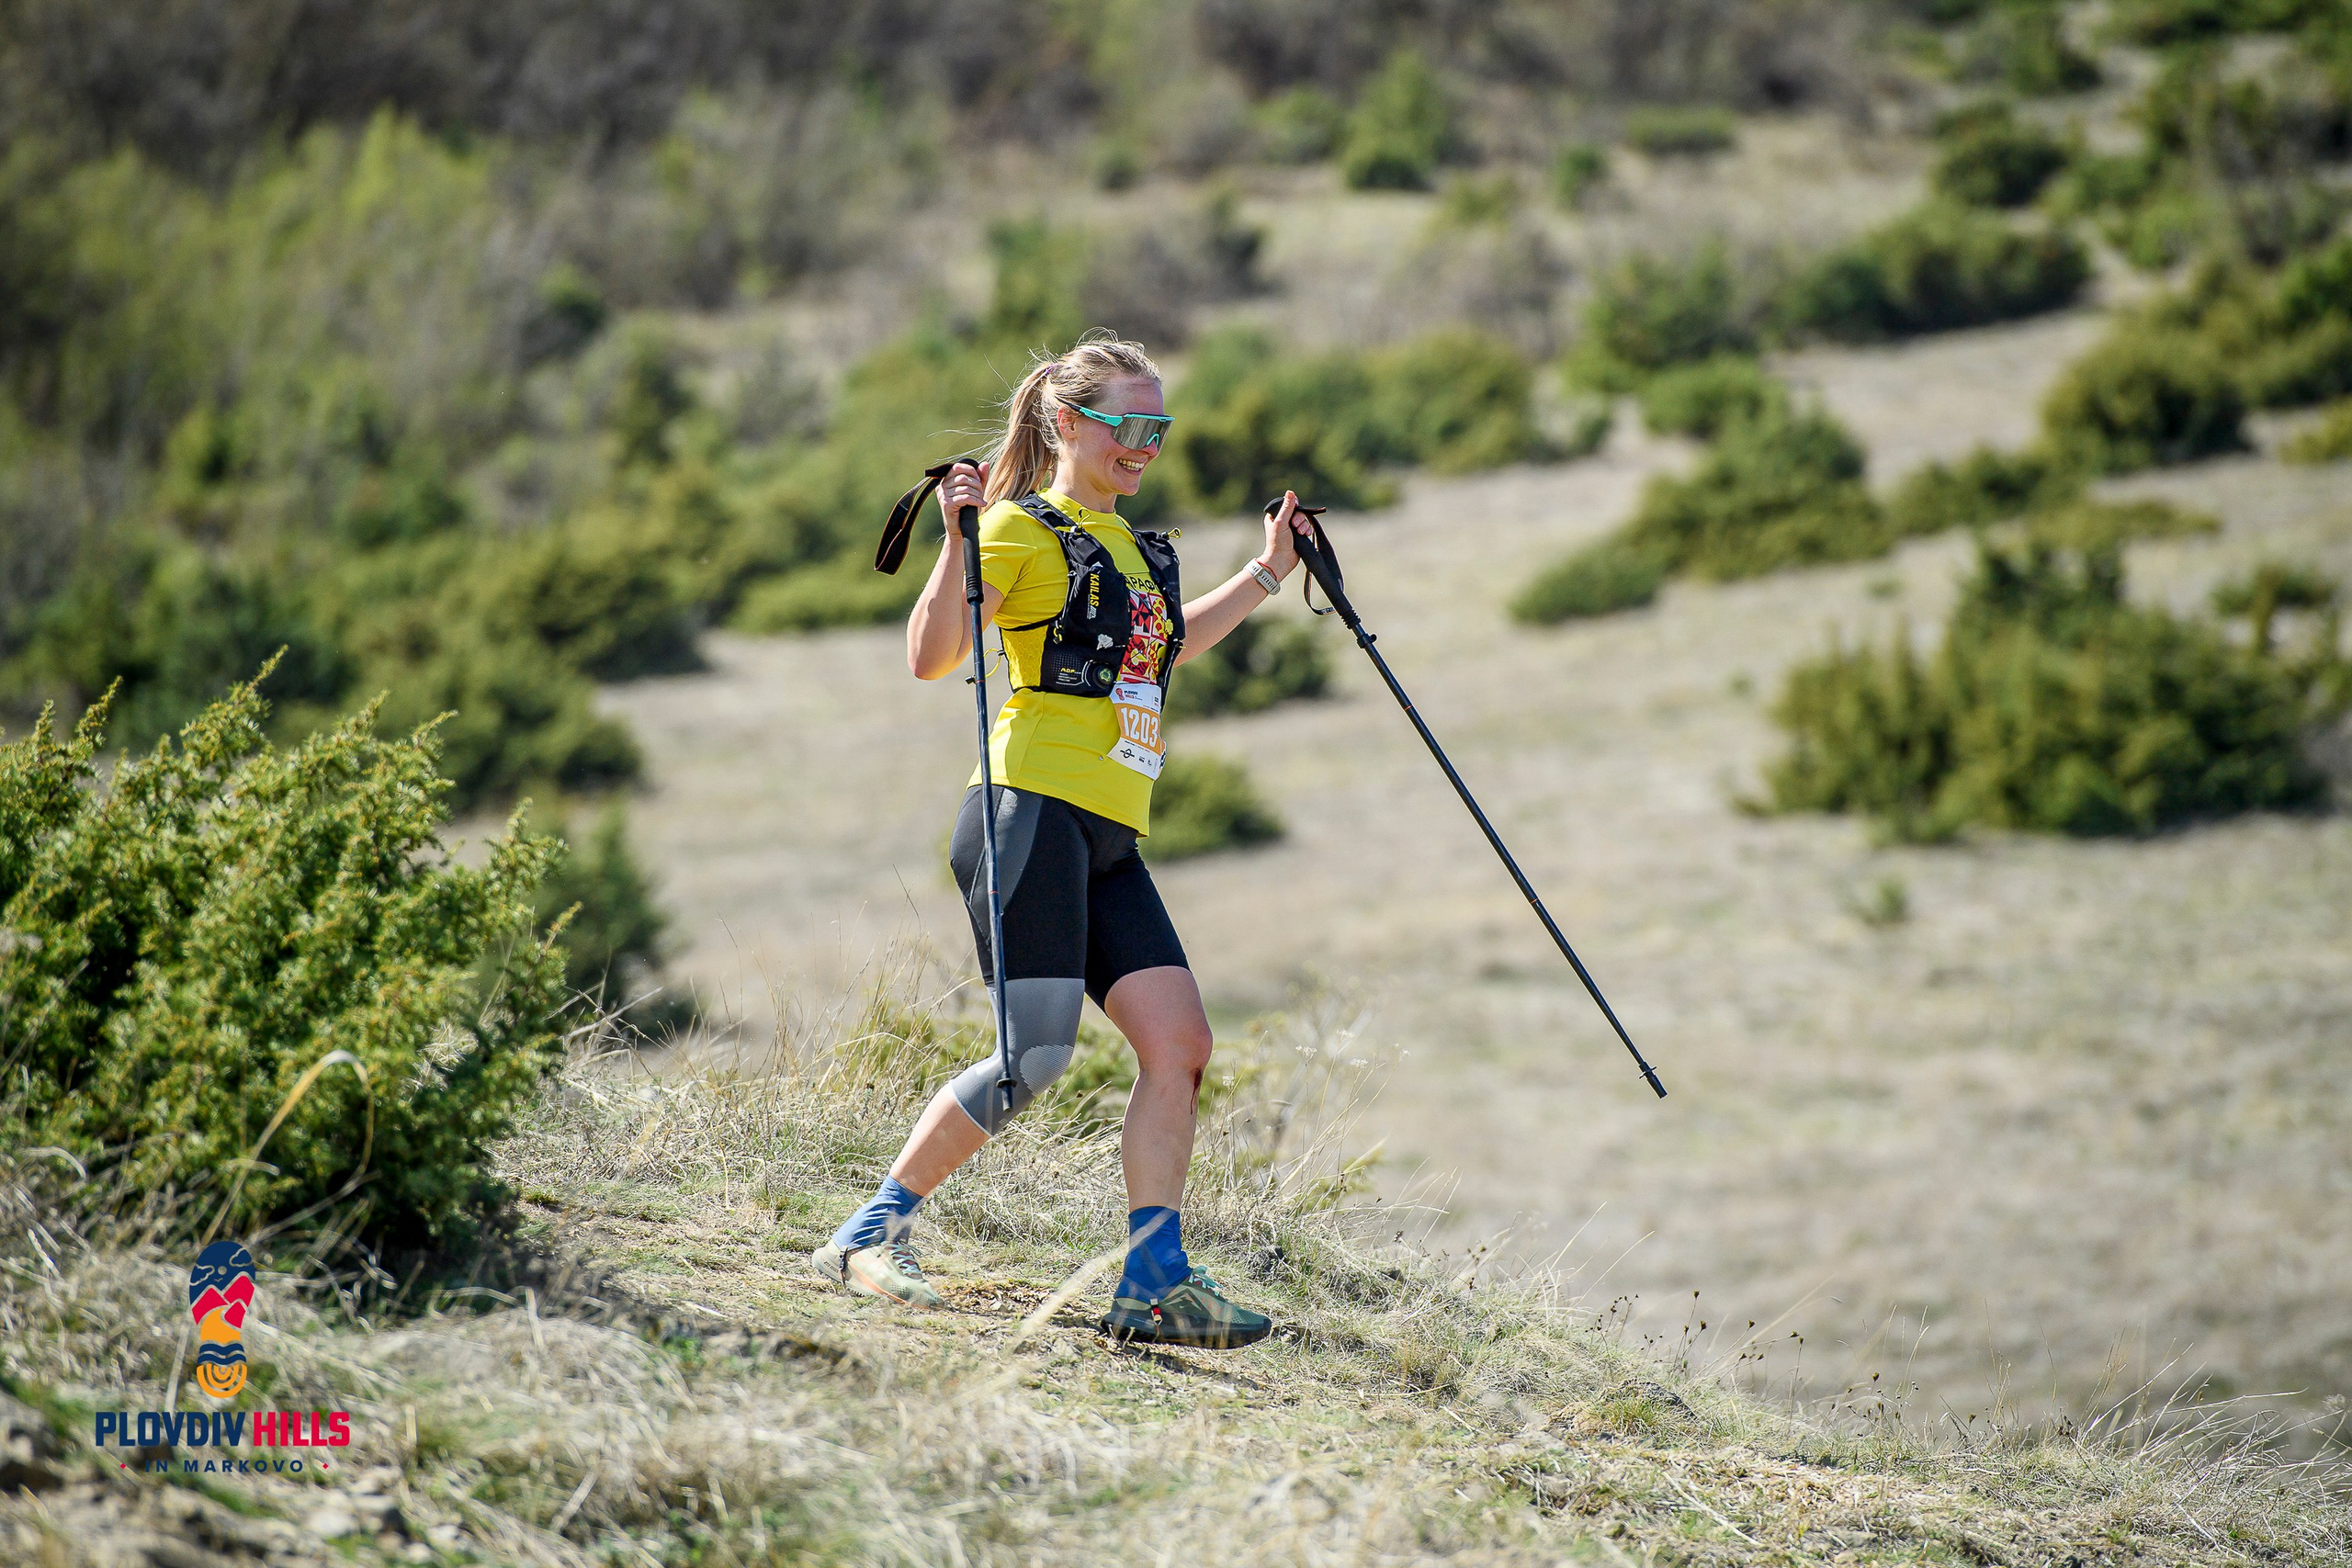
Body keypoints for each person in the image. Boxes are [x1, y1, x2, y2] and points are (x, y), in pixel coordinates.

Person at [811, 333, 1312, 1348]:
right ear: (1069, 424)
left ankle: (1152, 1280)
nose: (1144, 444)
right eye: (1127, 424)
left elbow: (1161, 651)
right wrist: (958, 538)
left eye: (1157, 427)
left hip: (1110, 830)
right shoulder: (1016, 530)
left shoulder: (1128, 544)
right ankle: (868, 1232)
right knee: (1030, 1058)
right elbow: (929, 655)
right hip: (1027, 809)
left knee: (1180, 1046)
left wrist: (1267, 572)